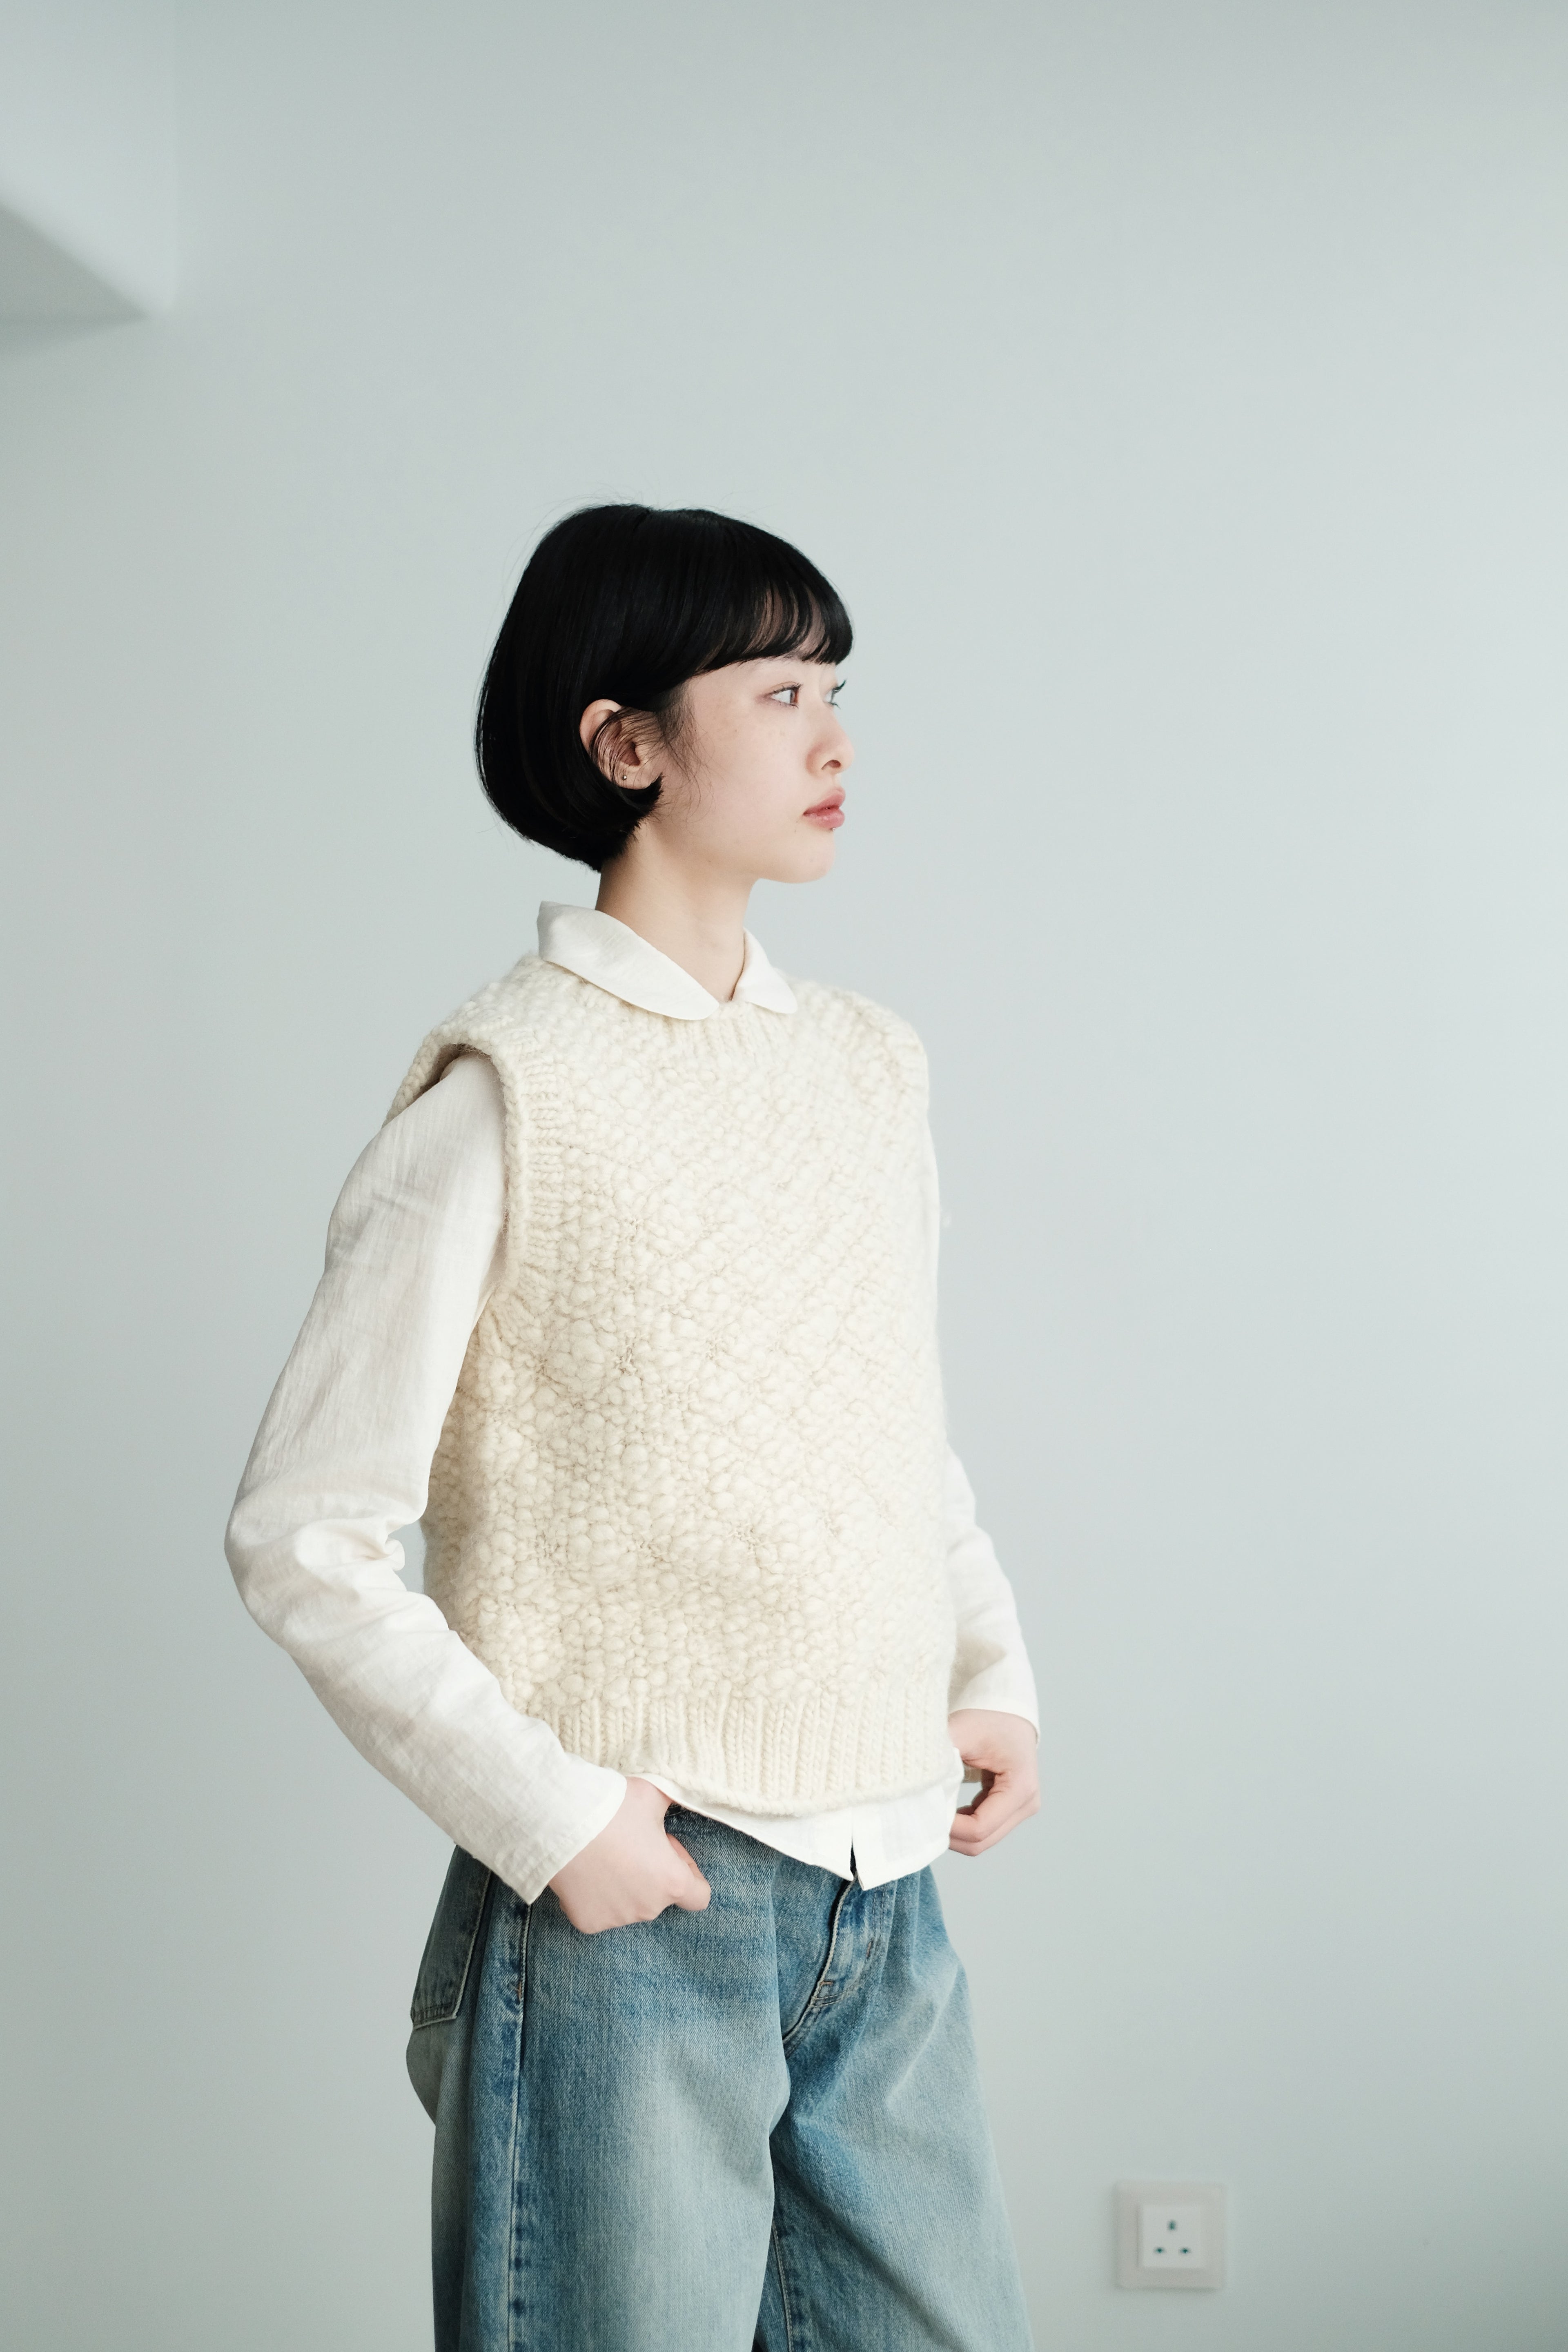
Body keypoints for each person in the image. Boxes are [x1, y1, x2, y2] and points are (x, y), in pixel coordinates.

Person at [226, 503, 1040, 2351]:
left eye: (838, 690)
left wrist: (986, 1667)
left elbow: (890, 1421)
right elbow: (303, 1532)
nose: (836, 738)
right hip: (635, 1908)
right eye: (780, 692)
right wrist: (554, 1818)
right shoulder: (504, 1089)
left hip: (886, 1891)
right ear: (627, 746)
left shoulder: (868, 1067)